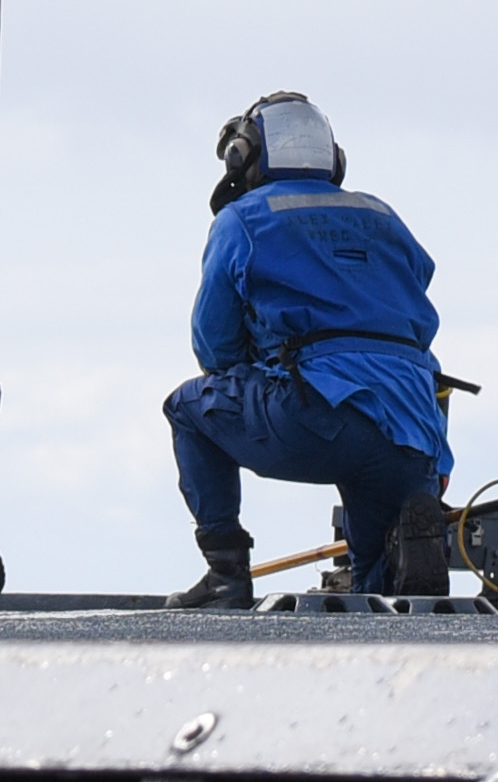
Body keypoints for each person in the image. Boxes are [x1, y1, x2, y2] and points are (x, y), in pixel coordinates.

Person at [160, 92, 453, 607]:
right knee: (374, 599)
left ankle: (226, 573)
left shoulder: (243, 218)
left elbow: (215, 346)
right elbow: (419, 339)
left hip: (315, 414)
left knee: (186, 408)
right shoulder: (384, 217)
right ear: (334, 159)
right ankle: (403, 550)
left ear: (242, 157)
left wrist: (258, 370)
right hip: (413, 434)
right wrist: (437, 453)